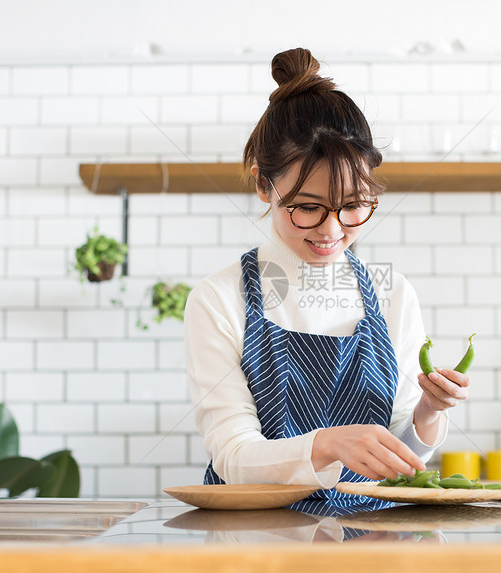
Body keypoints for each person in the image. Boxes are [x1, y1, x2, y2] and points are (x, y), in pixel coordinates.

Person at [183, 48, 469, 507]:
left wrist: (428, 412)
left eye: (354, 205)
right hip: (258, 544)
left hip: (374, 541)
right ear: (263, 185)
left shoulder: (392, 294)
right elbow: (233, 455)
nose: (333, 230)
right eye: (309, 207)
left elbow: (403, 461)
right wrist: (327, 445)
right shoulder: (219, 299)